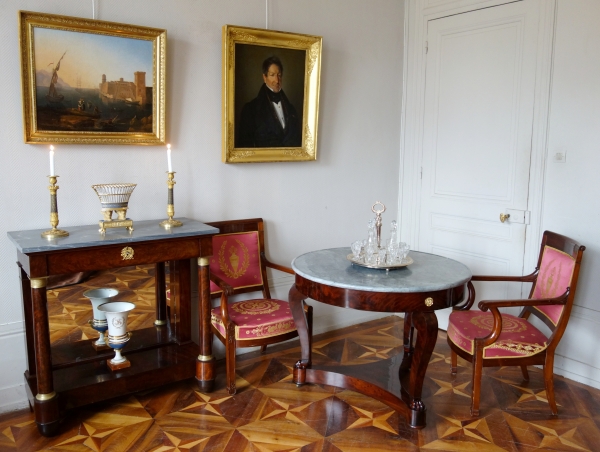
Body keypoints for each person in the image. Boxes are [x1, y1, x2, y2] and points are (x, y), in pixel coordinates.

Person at [238, 56, 302, 147]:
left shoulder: (291, 109)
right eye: (272, 75)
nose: (277, 80)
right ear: (264, 77)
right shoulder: (250, 109)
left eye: (279, 75)